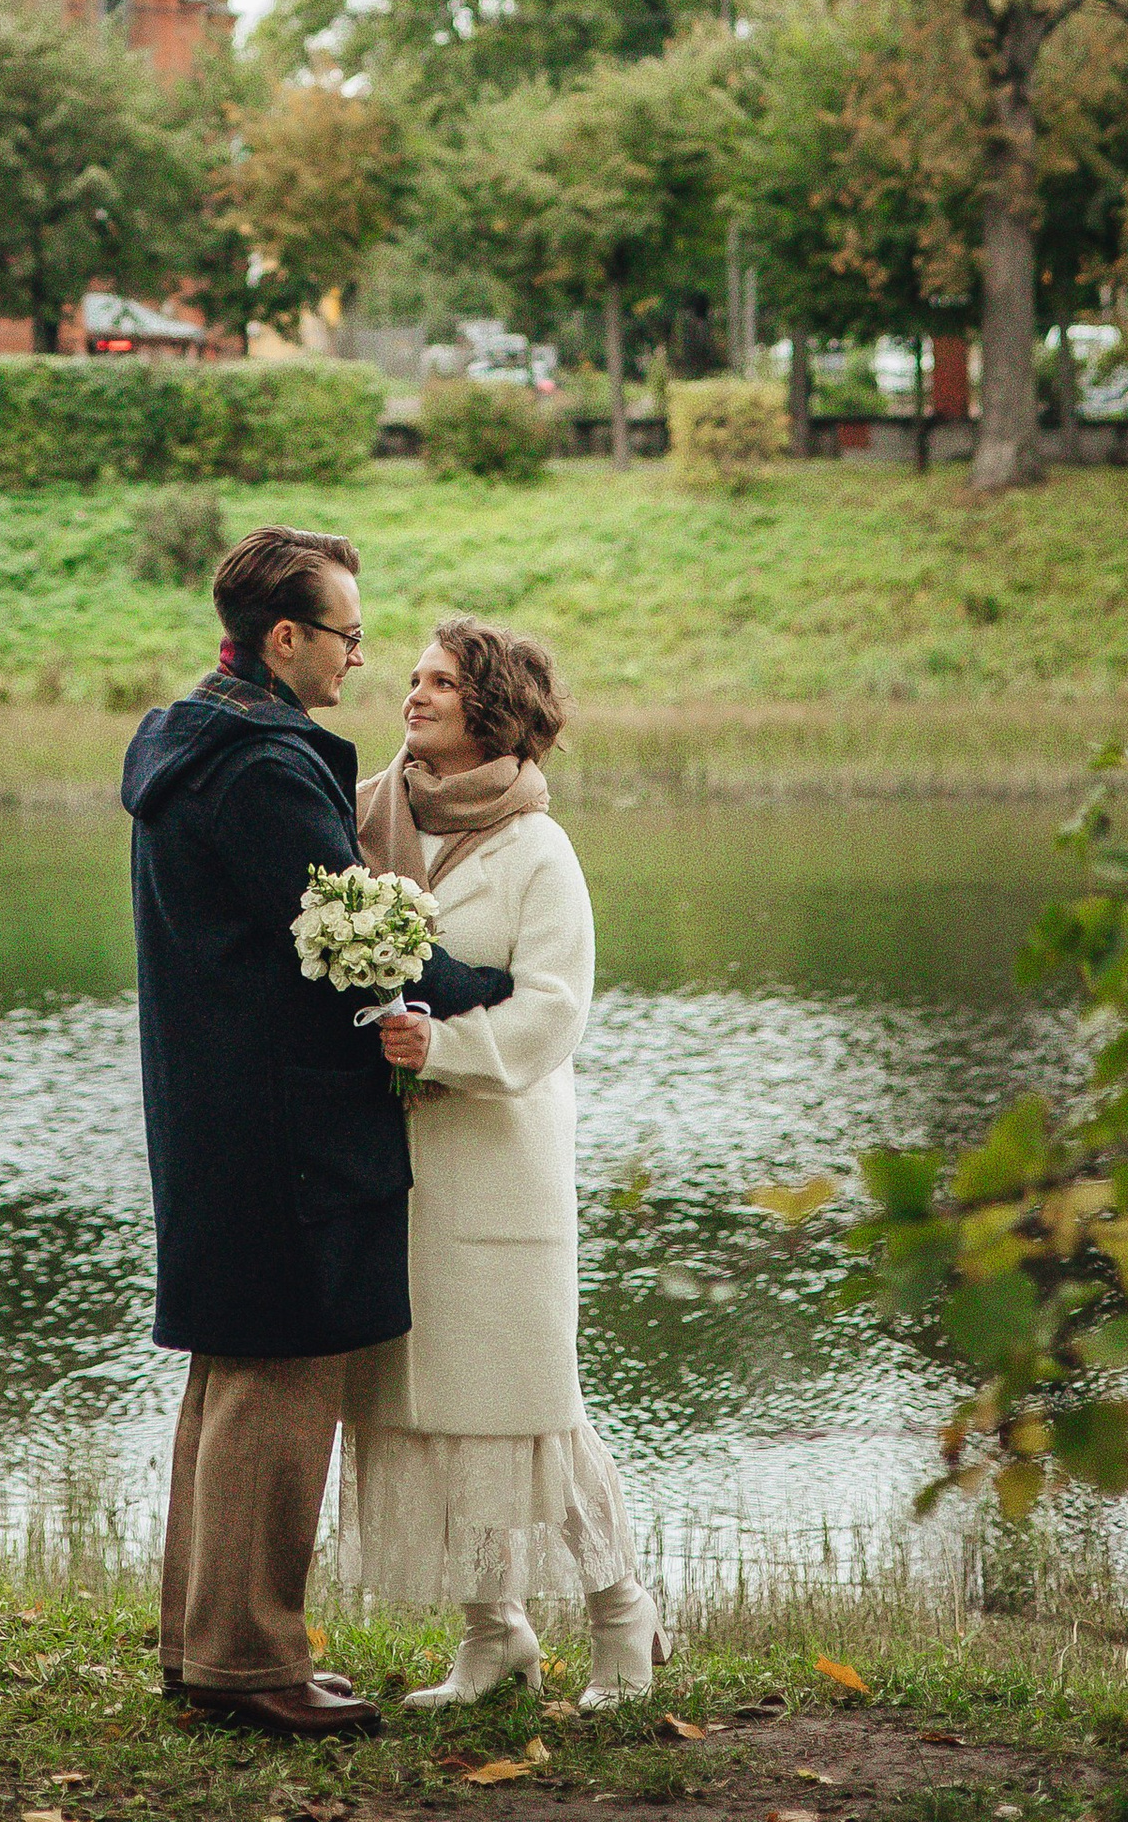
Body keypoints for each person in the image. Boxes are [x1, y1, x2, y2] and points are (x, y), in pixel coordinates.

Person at [121, 524, 517, 1743]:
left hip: (217, 1107)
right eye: (345, 634)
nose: (360, 658)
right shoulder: (266, 766)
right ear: (283, 637)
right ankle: (252, 1662)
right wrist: (478, 986)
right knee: (282, 1387)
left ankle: (207, 1649)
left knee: (230, 1380)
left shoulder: (185, 736)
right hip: (288, 1119)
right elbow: (349, 930)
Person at [343, 619, 665, 1710]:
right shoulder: (364, 819)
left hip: (498, 1165)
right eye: (412, 678)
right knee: (422, 1401)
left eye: (439, 682)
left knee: (527, 1404)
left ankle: (623, 1619)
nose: (412, 696)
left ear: (492, 707)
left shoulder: (539, 849)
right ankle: (495, 1636)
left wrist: (446, 1045)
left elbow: (556, 1013)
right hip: (391, 1165)